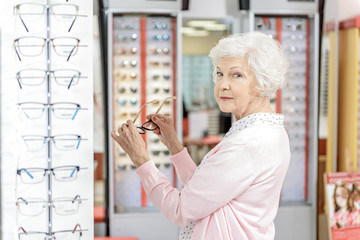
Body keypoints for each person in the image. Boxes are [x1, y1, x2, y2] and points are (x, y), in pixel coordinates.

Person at [111, 31, 290, 240]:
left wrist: (140, 158)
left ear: (262, 82)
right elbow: (205, 190)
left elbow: (179, 209)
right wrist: (174, 146)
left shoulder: (247, 144)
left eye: (236, 75)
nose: (222, 84)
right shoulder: (268, 131)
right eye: (220, 73)